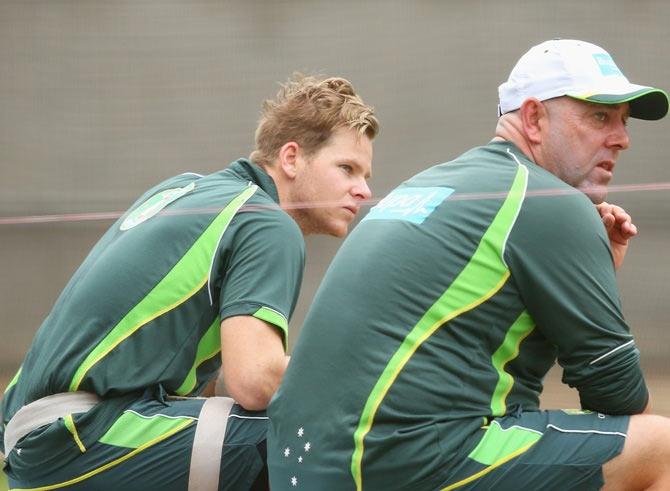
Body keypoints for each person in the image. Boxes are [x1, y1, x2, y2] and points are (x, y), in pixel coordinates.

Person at [267, 39, 670, 490]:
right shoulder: (547, 200)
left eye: (624, 121)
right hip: (389, 461)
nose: (623, 138)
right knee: (659, 448)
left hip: (304, 465)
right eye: (599, 117)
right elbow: (617, 395)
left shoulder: (438, 181)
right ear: (534, 118)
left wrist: (591, 273)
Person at [0, 74, 378, 490]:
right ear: (291, 158)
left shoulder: (186, 188)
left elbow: (223, 384)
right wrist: (371, 383)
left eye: (365, 175)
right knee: (319, 437)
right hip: (78, 436)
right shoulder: (267, 224)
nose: (362, 190)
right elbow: (254, 380)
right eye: (347, 169)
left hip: (37, 434)